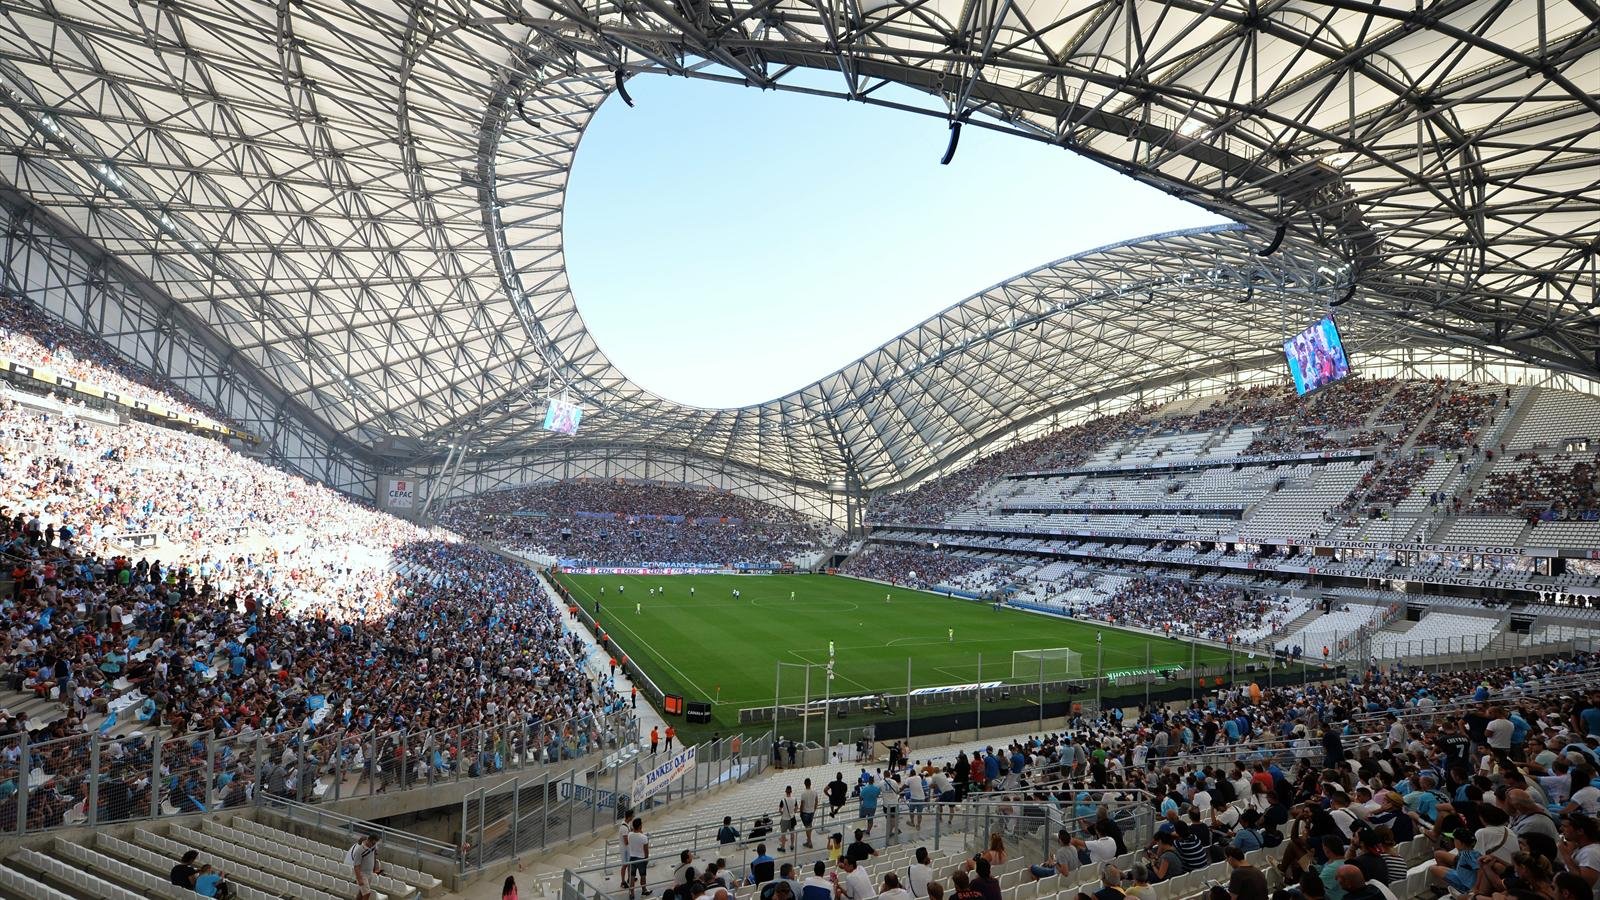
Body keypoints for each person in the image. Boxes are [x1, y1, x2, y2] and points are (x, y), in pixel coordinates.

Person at [348, 833, 384, 900]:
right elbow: (356, 866)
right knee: (367, 893)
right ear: (369, 840)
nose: (374, 845)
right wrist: (359, 879)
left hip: (370, 873)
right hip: (362, 874)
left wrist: (375, 867)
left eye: (375, 843)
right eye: (373, 843)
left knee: (362, 892)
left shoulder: (373, 845)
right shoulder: (359, 851)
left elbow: (374, 854)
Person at [625, 817, 652, 899]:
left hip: (632, 858)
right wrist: (646, 859)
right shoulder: (644, 837)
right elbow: (646, 851)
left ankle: (632, 894)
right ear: (640, 826)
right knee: (643, 876)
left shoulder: (629, 835)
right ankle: (644, 890)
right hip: (641, 859)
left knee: (632, 877)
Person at [801, 778, 820, 848]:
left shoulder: (803, 793)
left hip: (805, 812)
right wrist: (814, 809)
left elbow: (802, 805)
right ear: (810, 783)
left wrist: (801, 813)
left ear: (805, 784)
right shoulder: (814, 792)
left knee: (807, 828)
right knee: (810, 826)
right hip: (812, 812)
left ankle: (809, 842)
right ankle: (809, 840)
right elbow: (817, 801)